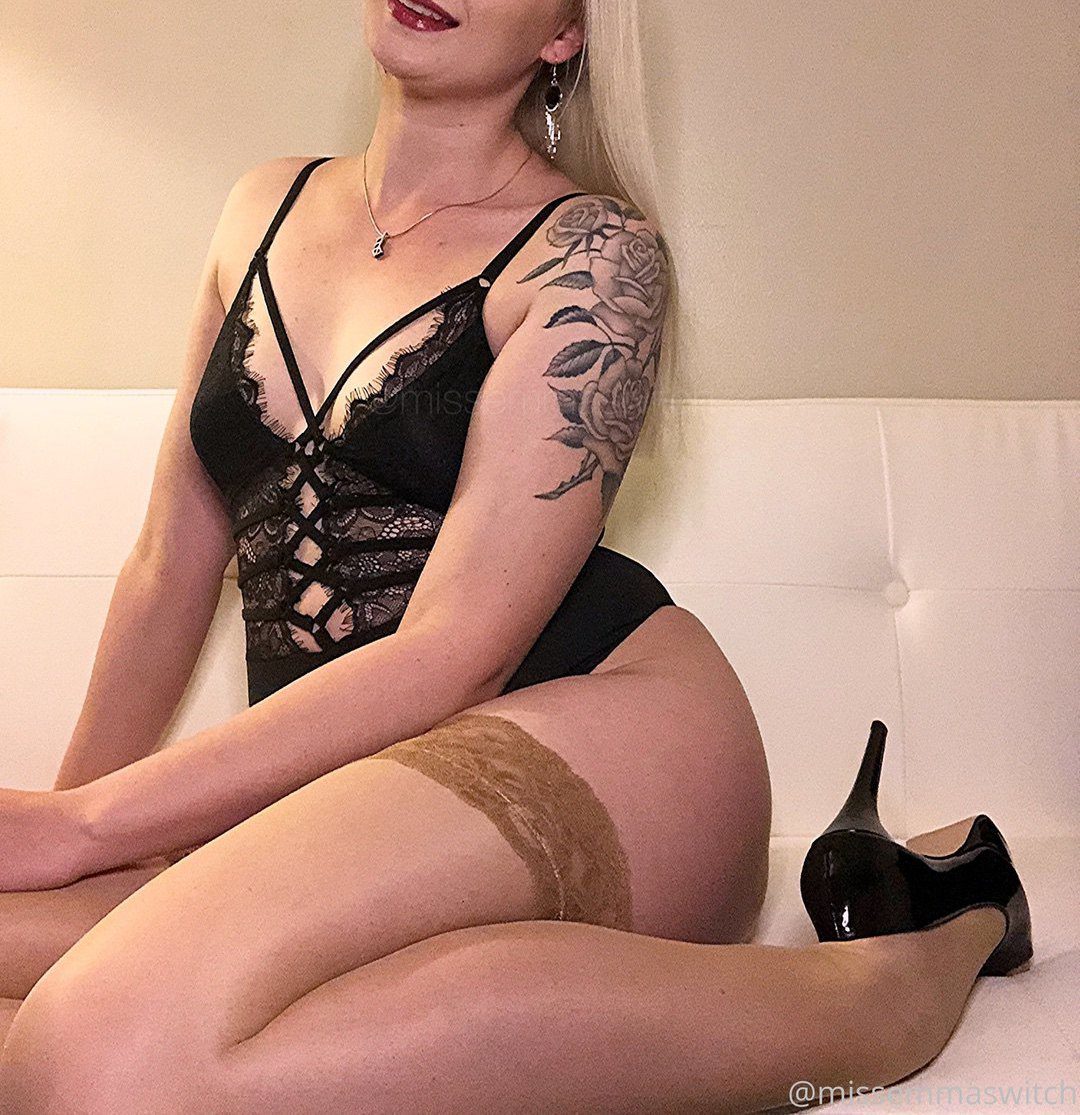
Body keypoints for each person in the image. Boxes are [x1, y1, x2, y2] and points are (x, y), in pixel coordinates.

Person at [0, 1, 1030, 1111]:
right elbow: (170, 561)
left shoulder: (596, 257)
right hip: (348, 786)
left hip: (599, 725)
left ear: (564, 33)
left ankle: (913, 956)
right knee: (68, 1026)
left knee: (98, 1054)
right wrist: (65, 834)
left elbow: (458, 652)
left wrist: (85, 828)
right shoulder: (261, 206)